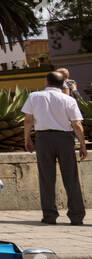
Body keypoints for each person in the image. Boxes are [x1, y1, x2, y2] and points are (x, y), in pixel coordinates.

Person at [23, 71, 86, 225]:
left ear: (46, 82)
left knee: (46, 178)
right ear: (63, 83)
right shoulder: (68, 100)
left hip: (43, 139)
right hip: (65, 139)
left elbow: (28, 120)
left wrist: (27, 139)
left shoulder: (34, 96)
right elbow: (77, 125)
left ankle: (49, 216)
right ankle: (76, 216)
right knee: (71, 177)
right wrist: (83, 145)